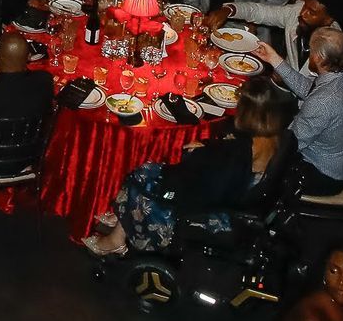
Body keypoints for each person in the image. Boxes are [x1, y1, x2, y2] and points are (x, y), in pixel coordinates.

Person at [82, 76, 293, 258]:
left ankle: (116, 240)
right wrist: (207, 147)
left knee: (145, 180)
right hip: (235, 192)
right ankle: (122, 216)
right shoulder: (276, 136)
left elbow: (204, 185)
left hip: (211, 209)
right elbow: (226, 154)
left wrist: (195, 156)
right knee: (147, 170)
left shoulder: (242, 150)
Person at [257, 27, 343, 194]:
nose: (310, 55)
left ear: (320, 58)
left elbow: (291, 143)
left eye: (311, 51)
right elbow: (310, 90)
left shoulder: (323, 101)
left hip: (323, 175)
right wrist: (273, 59)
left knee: (259, 158)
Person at [205, 0, 338, 74]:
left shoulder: (337, 52)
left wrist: (281, 69)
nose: (303, 14)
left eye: (312, 12)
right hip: (283, 86)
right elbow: (259, 12)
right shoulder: (295, 13)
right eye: (305, 7)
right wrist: (229, 10)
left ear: (328, 20)